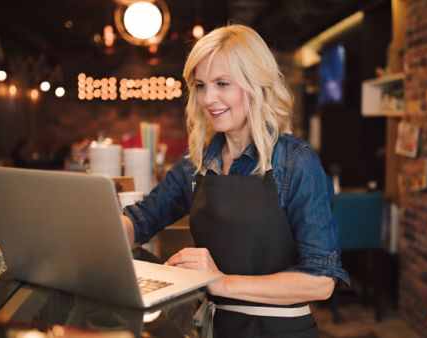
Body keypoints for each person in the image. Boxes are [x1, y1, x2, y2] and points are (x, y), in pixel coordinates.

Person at [121, 24, 349, 337]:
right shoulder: (198, 162)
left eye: (222, 83)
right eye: (201, 85)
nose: (207, 98)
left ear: (257, 84)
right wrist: (98, 238)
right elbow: (143, 218)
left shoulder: (295, 161)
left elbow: (321, 281)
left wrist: (219, 281)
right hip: (214, 328)